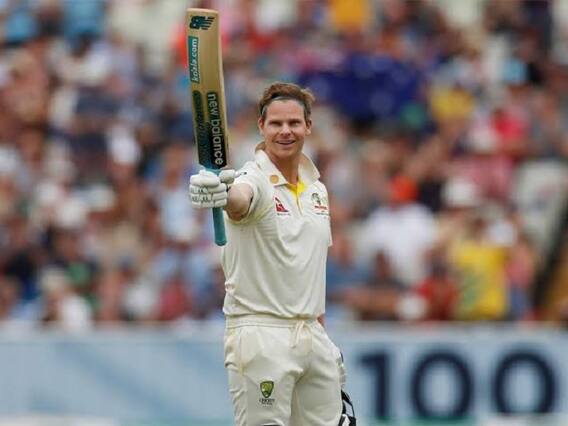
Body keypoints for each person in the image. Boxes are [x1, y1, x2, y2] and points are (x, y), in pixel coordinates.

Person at [189, 82, 351, 425]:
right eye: (276, 123)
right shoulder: (254, 178)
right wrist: (223, 194)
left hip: (311, 333)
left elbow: (309, 271)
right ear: (261, 126)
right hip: (261, 334)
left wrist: (322, 337)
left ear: (308, 126)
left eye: (294, 123)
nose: (285, 131)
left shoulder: (317, 190)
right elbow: (240, 200)